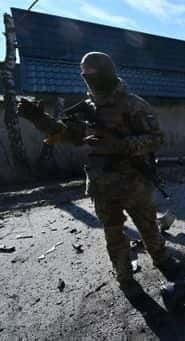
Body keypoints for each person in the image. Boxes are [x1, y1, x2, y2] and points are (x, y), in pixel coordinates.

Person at [17, 52, 172, 295]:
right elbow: (70, 135)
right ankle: (124, 276)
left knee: (148, 226)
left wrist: (121, 145)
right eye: (84, 73)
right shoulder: (87, 107)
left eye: (92, 73)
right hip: (101, 185)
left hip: (134, 182)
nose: (87, 78)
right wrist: (39, 120)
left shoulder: (133, 104)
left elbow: (157, 138)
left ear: (106, 72)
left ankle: (162, 260)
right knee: (113, 233)